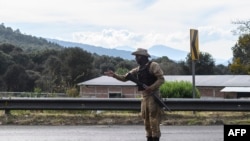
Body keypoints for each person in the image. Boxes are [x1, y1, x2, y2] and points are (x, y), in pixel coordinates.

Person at [104, 48, 165, 141]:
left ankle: (155, 138)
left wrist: (151, 88)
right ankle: (149, 137)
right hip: (144, 96)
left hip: (153, 95)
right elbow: (125, 78)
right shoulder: (138, 69)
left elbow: (161, 79)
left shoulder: (153, 65)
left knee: (154, 119)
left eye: (138, 56)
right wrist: (114, 75)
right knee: (146, 119)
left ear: (143, 57)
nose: (136, 58)